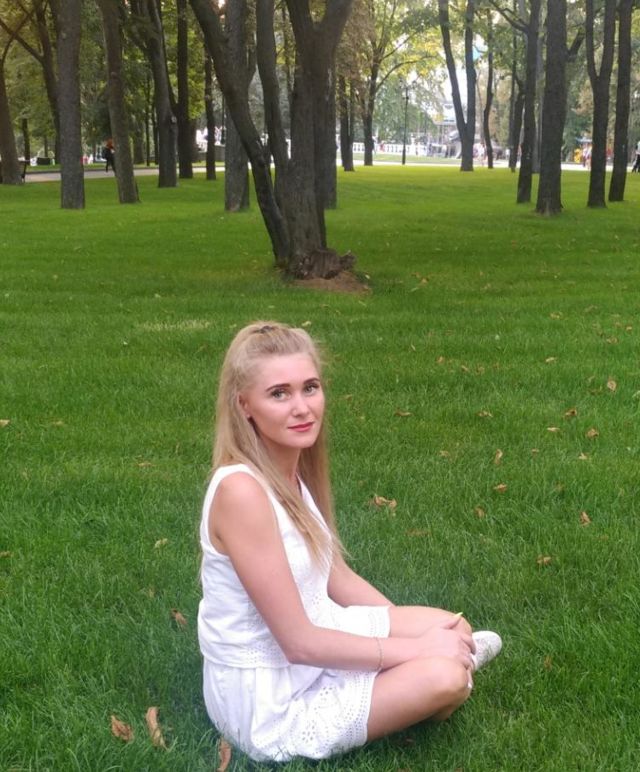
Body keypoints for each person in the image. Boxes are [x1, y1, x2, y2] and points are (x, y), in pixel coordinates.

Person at [198, 321, 502, 763]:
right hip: (270, 695)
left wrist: (416, 636)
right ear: (244, 405)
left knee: (454, 629)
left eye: (310, 388)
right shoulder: (241, 491)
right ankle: (446, 681)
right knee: (445, 678)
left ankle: (441, 668)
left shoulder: (291, 473)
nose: (302, 407)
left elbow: (335, 576)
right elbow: (298, 643)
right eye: (279, 394)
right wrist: (416, 651)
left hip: (316, 638)